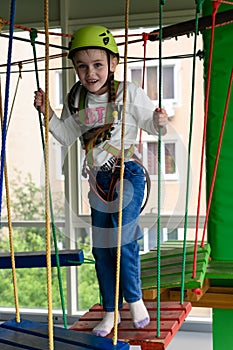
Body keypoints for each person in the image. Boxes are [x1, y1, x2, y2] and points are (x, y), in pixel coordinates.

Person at [34, 25, 168, 337]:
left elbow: (152, 125)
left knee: (122, 234)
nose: (90, 73)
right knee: (102, 248)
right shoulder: (78, 98)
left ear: (113, 64)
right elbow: (67, 136)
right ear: (75, 69)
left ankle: (134, 299)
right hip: (98, 181)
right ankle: (111, 311)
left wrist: (159, 121)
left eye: (97, 64)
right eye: (82, 66)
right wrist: (48, 113)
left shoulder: (128, 93)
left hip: (127, 173)